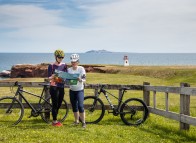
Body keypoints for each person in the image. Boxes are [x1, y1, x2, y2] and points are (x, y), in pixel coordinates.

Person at [48, 49, 67, 127]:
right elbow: (49, 77)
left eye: (62, 57)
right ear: (56, 57)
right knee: (55, 104)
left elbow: (66, 75)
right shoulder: (51, 65)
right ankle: (55, 121)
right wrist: (52, 76)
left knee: (59, 103)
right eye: (59, 57)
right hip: (54, 87)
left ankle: (55, 117)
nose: (61, 59)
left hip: (61, 86)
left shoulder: (64, 65)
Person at [68, 53, 86, 128]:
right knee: (74, 106)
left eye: (75, 62)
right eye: (72, 62)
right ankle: (76, 121)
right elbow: (67, 79)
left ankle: (84, 122)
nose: (73, 63)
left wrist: (80, 79)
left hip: (79, 90)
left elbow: (84, 79)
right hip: (72, 90)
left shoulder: (81, 69)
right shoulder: (69, 70)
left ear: (78, 62)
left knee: (80, 106)